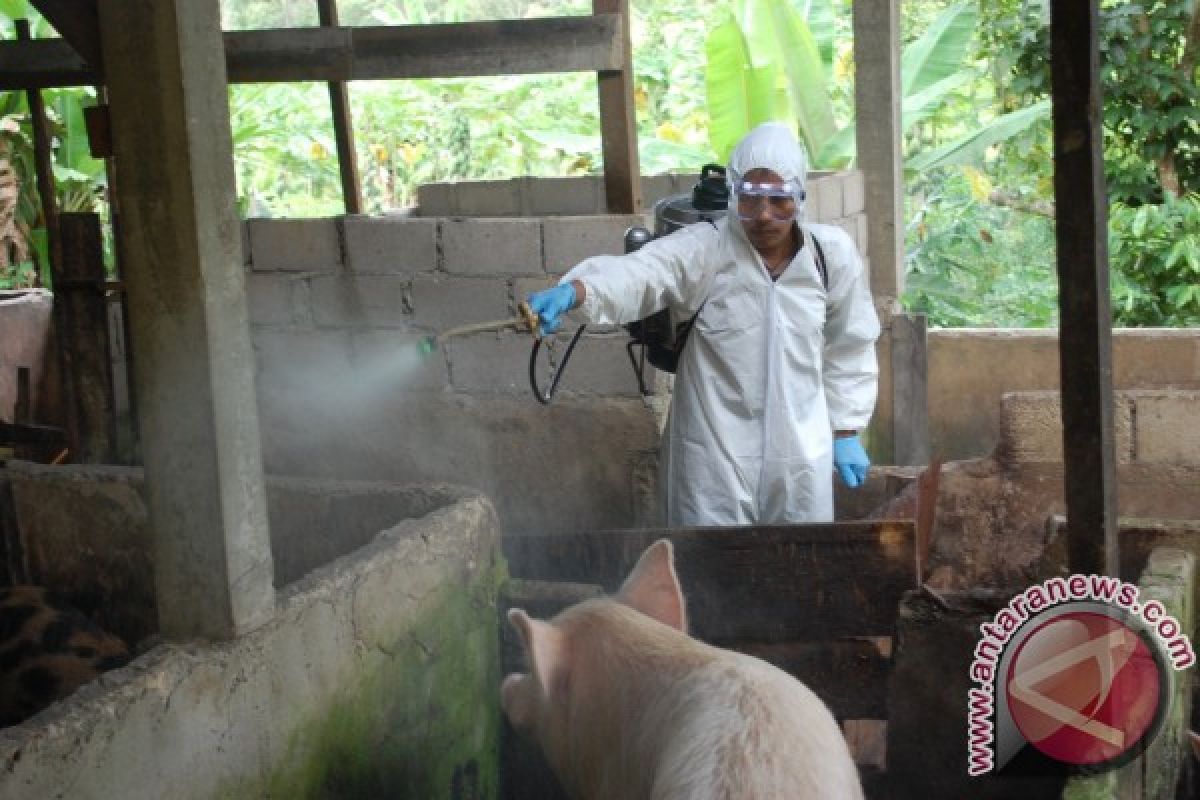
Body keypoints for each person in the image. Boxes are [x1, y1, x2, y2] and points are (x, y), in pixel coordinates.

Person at [527, 122, 880, 526]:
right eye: (749, 200)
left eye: (778, 200)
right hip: (714, 451)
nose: (763, 216)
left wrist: (846, 430)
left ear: (800, 197)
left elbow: (850, 343)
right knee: (710, 570)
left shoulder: (828, 257)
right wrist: (578, 291)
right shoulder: (705, 248)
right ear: (732, 196)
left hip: (800, 451)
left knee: (796, 565)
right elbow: (640, 274)